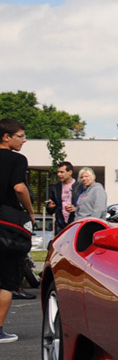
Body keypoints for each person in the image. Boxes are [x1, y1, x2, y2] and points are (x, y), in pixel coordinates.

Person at [0, 118, 33, 343]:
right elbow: (19, 187)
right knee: (6, 280)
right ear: (6, 137)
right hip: (6, 224)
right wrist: (29, 211)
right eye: (20, 136)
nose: (24, 139)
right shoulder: (17, 159)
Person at [43, 161, 79, 232]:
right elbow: (50, 210)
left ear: (70, 172)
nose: (59, 174)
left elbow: (86, 206)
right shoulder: (55, 188)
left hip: (76, 223)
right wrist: (51, 207)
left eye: (62, 172)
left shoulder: (80, 187)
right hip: (60, 226)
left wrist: (76, 209)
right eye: (58, 172)